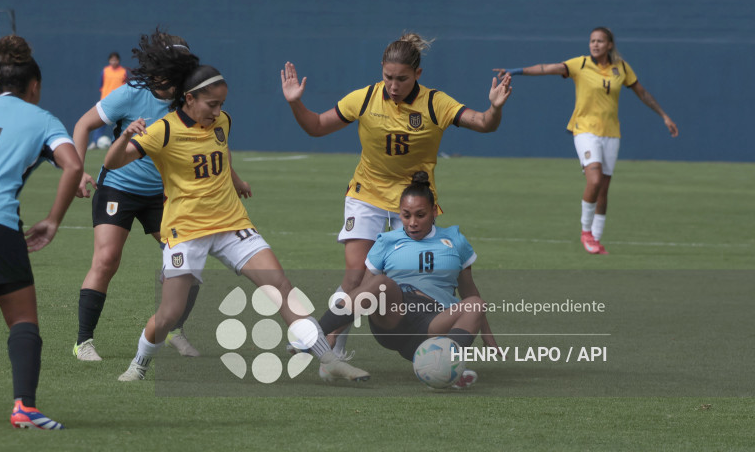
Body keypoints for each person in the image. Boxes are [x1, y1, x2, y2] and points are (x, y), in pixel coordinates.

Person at [104, 37, 370, 383]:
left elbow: (220, 153)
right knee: (169, 314)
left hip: (232, 224)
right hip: (186, 230)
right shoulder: (162, 131)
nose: (217, 112)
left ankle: (327, 359)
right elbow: (112, 163)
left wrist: (236, 179)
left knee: (281, 287)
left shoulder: (221, 122)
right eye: (211, 104)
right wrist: (125, 137)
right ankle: (138, 365)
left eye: (221, 104)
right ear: (189, 99)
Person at [281, 32, 512, 359]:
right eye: (388, 77)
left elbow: (484, 123)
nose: (393, 85)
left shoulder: (435, 103)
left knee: (414, 281)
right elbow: (317, 126)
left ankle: (434, 345)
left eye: (402, 79)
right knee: (356, 274)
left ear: (418, 74)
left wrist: (494, 107)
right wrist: (296, 102)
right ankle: (328, 344)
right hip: (367, 194)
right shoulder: (364, 98)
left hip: (413, 203)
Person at [0, 35, 82, 429]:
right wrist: (53, 220)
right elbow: (73, 166)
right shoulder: (44, 119)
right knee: (23, 319)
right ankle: (24, 407)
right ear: (35, 87)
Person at [71, 30, 201, 362]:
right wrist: (76, 171)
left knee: (187, 266)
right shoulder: (130, 94)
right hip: (118, 187)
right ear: (160, 69)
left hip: (163, 195)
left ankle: (174, 331)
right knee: (106, 260)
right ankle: (83, 342)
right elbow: (84, 124)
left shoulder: (188, 98)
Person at [494, 26, 678, 255]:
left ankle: (597, 240)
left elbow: (642, 92)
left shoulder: (621, 68)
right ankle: (585, 232)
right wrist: (516, 71)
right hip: (584, 130)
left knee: (603, 189)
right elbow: (547, 68)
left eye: (600, 41)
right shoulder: (580, 64)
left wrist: (664, 115)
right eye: (592, 40)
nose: (595, 44)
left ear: (610, 44)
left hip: (611, 133)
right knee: (594, 178)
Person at [315, 172, 499, 389]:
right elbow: (365, 293)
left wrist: (487, 334)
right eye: (406, 215)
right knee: (381, 283)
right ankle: (313, 334)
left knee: (476, 303)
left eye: (420, 215)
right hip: (395, 316)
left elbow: (469, 292)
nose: (412, 223)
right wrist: (334, 332)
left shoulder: (455, 240)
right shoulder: (387, 240)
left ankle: (447, 370)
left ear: (434, 211)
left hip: (434, 324)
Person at [88, 52, 128, 150]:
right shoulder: (105, 71)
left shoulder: (123, 72)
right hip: (106, 101)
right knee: (101, 122)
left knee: (121, 123)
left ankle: (120, 144)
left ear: (118, 61)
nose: (114, 62)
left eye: (116, 60)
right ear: (109, 61)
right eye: (112, 60)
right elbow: (101, 85)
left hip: (120, 101)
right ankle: (95, 142)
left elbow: (126, 86)